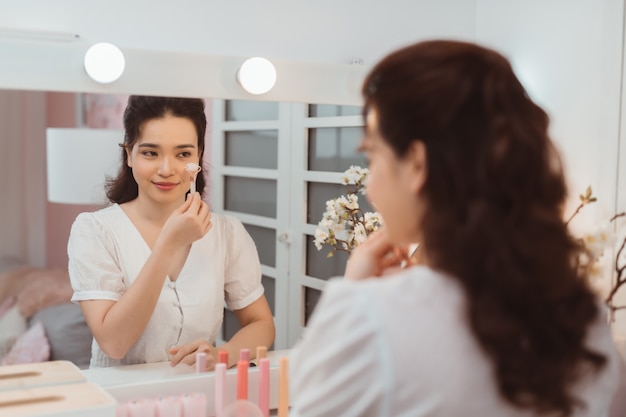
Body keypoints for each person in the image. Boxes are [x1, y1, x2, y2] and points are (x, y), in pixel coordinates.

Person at [290, 40, 626, 417]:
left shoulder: (368, 320)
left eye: (373, 154)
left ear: (417, 163)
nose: (369, 186)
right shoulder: (583, 320)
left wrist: (354, 293)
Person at [68, 96, 275, 369]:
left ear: (198, 156)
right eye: (150, 153)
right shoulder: (94, 231)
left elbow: (261, 324)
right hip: (121, 402)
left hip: (199, 398)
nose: (167, 169)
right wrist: (168, 245)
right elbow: (114, 343)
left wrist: (223, 354)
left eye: (183, 154)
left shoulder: (227, 233)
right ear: (129, 154)